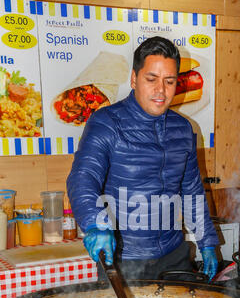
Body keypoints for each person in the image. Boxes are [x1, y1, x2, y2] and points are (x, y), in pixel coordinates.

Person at [67, 36, 219, 281]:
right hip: (124, 259)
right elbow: (83, 178)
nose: (161, 90)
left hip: (173, 254)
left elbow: (191, 190)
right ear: (134, 78)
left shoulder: (183, 128)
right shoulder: (106, 123)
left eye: (169, 81)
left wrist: (207, 242)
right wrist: (94, 224)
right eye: (151, 79)